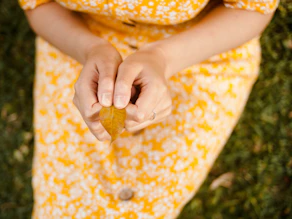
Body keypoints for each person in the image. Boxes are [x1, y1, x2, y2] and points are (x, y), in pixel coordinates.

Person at [19, 0, 279, 218]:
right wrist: (90, 49)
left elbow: (251, 8)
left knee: (147, 206)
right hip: (78, 41)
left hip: (196, 47)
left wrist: (162, 59)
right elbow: (39, 4)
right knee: (66, 205)